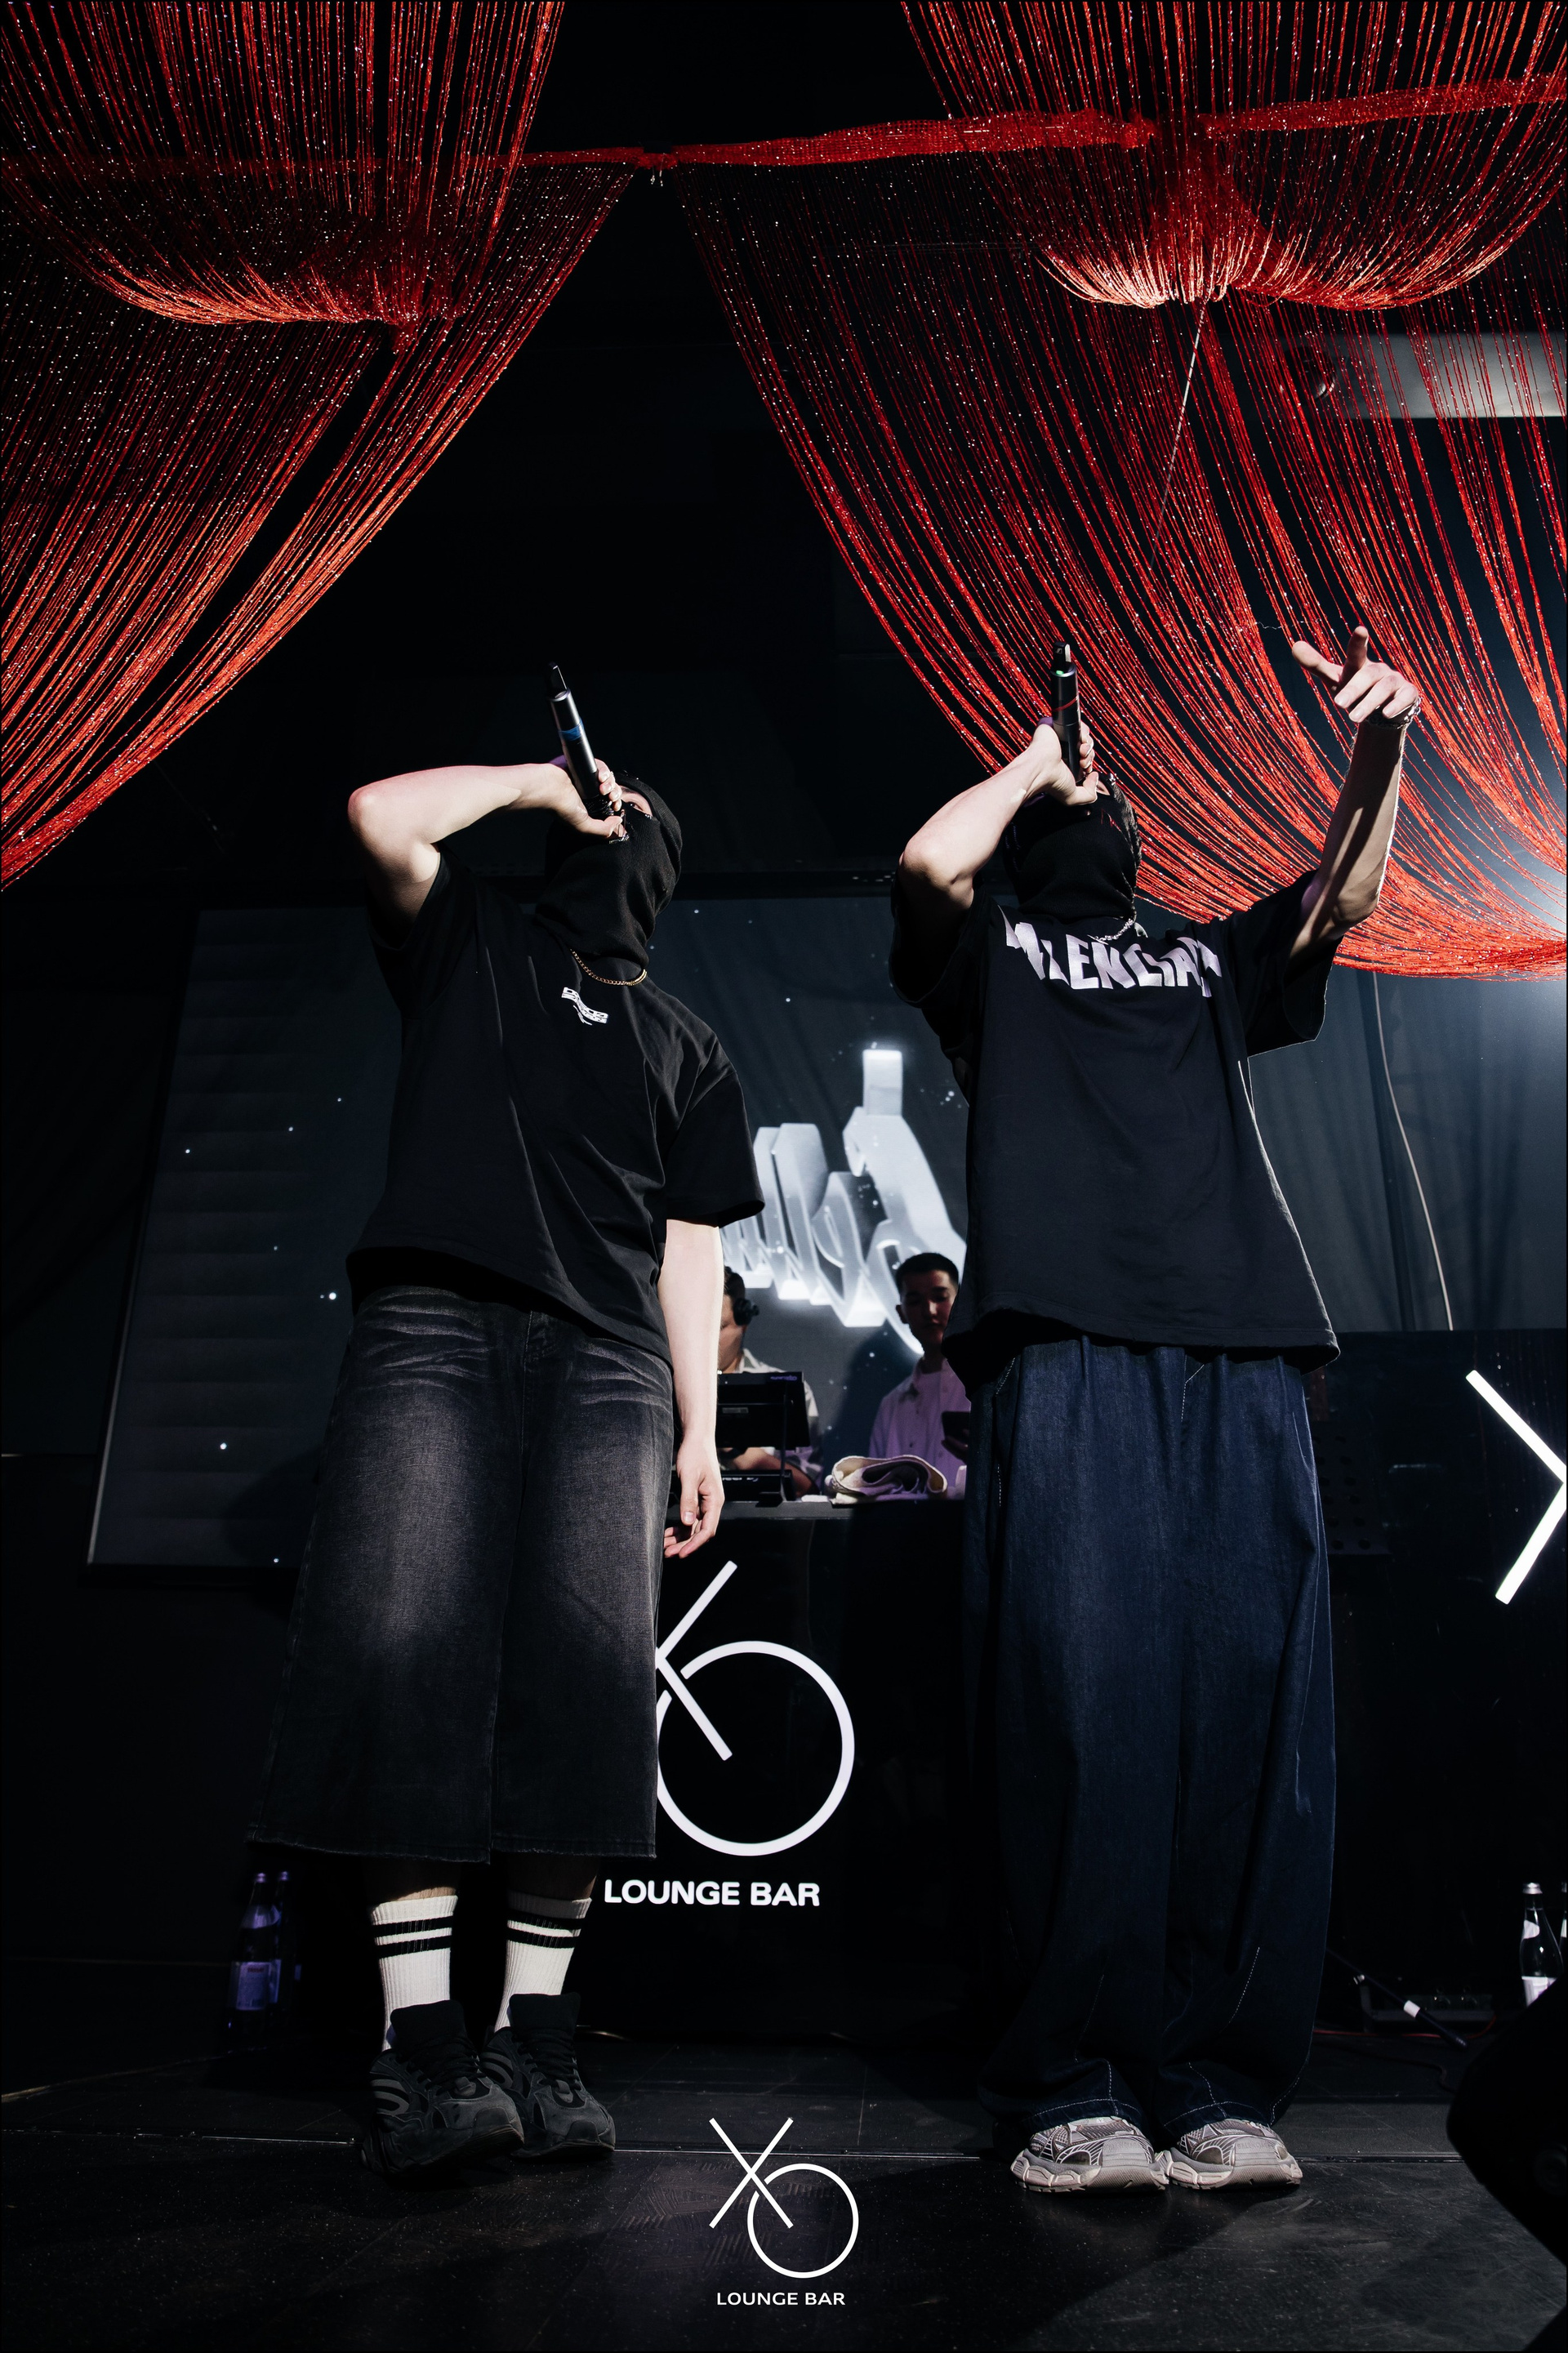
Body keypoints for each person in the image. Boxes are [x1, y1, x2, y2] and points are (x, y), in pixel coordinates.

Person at [893, 626, 1419, 2196]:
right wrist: (1035, 761)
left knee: (1246, 1715)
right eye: (1082, 786)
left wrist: (1382, 751)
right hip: (1068, 1343)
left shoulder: (1198, 954)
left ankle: (1215, 2084)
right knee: (1084, 1708)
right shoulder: (992, 952)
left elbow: (1345, 897)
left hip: (1241, 1343)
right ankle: (1076, 2081)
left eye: (1104, 786)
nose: (1097, 790)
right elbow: (927, 865)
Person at [250, 746, 762, 2181]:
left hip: (609, 1365)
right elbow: (377, 813)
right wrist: (542, 780)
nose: (617, 818)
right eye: (604, 804)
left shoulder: (689, 1043)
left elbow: (690, 1250)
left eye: (637, 811)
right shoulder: (473, 933)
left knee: (585, 1688)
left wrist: (700, 1424)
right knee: (404, 1650)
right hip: (436, 1322)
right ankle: (420, 2047)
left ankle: (534, 2035)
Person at [865, 1253, 969, 1498]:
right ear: (901, 1312)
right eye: (915, 1301)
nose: (929, 1310)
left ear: (962, 1302)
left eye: (940, 1297)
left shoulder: (990, 1387)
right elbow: (873, 1490)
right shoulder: (891, 1404)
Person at [716, 1266, 819, 1495]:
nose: (706, 1338)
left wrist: (734, 1449)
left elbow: (807, 1488)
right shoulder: (662, 1387)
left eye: (719, 1327)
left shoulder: (786, 1391)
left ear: (744, 1321)